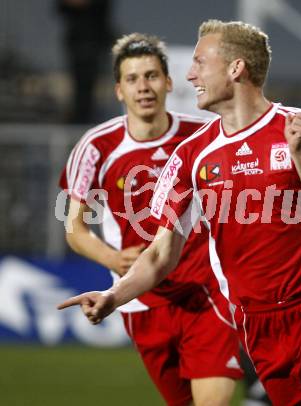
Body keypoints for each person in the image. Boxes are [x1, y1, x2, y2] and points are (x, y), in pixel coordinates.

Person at [58, 20, 301, 406]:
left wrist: (299, 155)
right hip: (257, 322)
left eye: (200, 63)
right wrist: (114, 295)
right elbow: (159, 253)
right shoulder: (191, 155)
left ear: (236, 68)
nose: (190, 75)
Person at [58, 32, 243, 406]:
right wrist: (112, 260)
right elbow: (74, 228)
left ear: (169, 82)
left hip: (205, 292)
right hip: (142, 299)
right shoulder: (95, 146)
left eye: (152, 76)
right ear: (118, 91)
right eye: (132, 79)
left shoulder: (203, 136)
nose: (143, 87)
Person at [56, 0, 114, 123]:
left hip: (95, 39)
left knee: (94, 82)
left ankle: (88, 116)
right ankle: (81, 115)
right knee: (79, 82)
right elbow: (61, 8)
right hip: (78, 40)